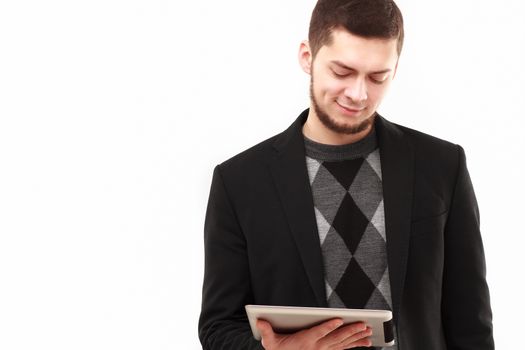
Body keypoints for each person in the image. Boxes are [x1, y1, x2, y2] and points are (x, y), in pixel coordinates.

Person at [198, 0, 494, 349]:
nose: (358, 94)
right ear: (307, 56)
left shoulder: (442, 166)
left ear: (395, 69)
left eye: (377, 77)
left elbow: (470, 322)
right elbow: (218, 327)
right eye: (341, 72)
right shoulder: (239, 183)